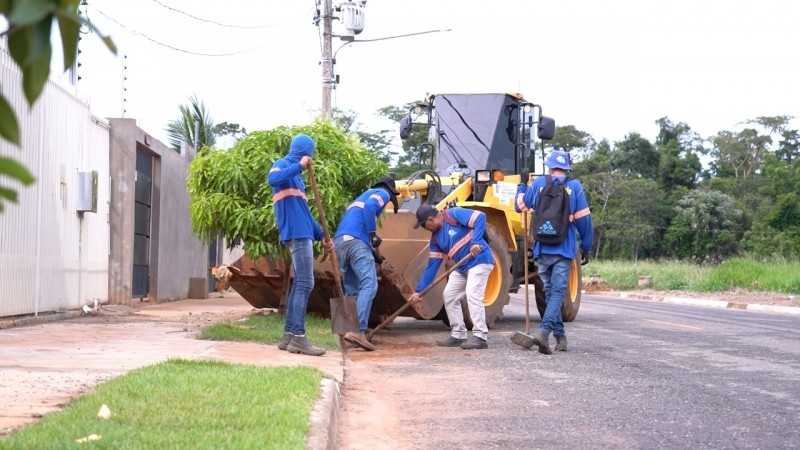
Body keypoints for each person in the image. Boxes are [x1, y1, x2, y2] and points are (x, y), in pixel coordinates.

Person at [514, 150, 593, 354]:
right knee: (557, 292)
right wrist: (586, 246)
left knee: (551, 293)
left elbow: (519, 206)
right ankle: (544, 333)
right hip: (564, 247)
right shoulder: (574, 187)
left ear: (549, 166)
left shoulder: (539, 183)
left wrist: (521, 186)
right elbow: (584, 220)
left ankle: (560, 338)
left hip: (541, 246)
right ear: (567, 168)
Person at [267, 133, 334, 357]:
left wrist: (322, 235)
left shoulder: (298, 179)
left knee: (300, 285)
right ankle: (299, 338)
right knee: (306, 283)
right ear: (305, 152)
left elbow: (304, 214)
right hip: (295, 234)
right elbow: (273, 179)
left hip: (303, 232)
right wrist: (298, 165)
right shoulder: (283, 165)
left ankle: (288, 336)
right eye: (310, 154)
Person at [408, 205, 494, 350]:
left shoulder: (453, 214)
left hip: (480, 260)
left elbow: (480, 217)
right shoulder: (435, 240)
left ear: (430, 220)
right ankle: (458, 334)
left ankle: (480, 336)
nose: (424, 228)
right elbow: (432, 267)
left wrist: (476, 241)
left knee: (473, 294)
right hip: (461, 267)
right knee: (449, 295)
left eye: (423, 225)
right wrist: (419, 291)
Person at [334, 176, 401, 351]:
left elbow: (356, 230)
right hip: (357, 243)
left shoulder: (359, 199)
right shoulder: (383, 193)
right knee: (369, 285)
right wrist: (373, 234)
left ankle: (346, 332)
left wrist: (375, 255)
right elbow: (371, 207)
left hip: (341, 242)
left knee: (352, 289)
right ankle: (358, 331)